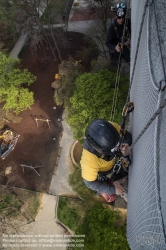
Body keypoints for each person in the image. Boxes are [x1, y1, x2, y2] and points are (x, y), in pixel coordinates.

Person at [80, 119, 132, 202]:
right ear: (100, 150)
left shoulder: (109, 129)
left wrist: (126, 143)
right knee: (123, 193)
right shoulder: (89, 161)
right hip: (107, 172)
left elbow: (126, 135)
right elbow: (89, 182)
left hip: (116, 159)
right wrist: (113, 189)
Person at [106, 2, 131, 67]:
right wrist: (115, 47)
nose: (121, 20)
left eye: (123, 17)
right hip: (119, 47)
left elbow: (131, 29)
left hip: (127, 42)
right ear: (115, 16)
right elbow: (108, 43)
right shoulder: (112, 28)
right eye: (119, 18)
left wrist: (129, 38)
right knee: (130, 59)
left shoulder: (127, 22)